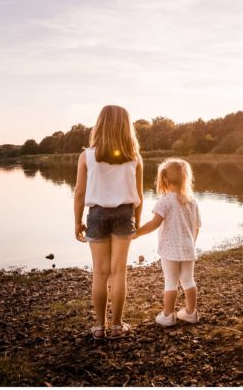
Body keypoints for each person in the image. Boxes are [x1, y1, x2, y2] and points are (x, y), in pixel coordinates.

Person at [74, 105, 143, 340]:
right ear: (127, 127)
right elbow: (139, 196)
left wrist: (77, 221)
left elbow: (79, 193)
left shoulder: (87, 156)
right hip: (125, 214)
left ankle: (99, 328)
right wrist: (138, 223)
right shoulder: (134, 157)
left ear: (99, 125)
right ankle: (117, 326)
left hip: (96, 214)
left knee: (100, 273)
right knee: (119, 272)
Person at [134, 158, 201, 326]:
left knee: (170, 281)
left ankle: (168, 315)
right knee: (188, 280)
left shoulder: (165, 201)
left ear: (164, 178)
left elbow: (154, 224)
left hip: (169, 250)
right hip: (188, 247)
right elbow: (197, 226)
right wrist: (191, 242)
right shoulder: (192, 201)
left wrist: (137, 233)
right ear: (186, 177)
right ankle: (191, 313)